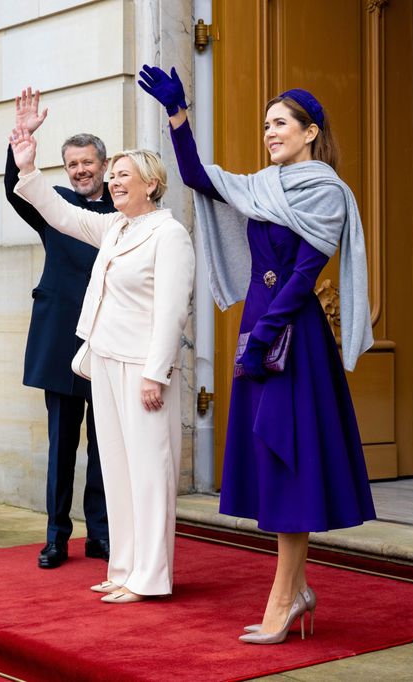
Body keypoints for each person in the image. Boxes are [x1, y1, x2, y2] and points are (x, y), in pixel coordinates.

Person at [138, 65, 376, 642]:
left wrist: (265, 334)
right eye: (266, 124)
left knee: (291, 467)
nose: (270, 132)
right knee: (272, 466)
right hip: (259, 336)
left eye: (281, 124)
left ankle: (285, 596)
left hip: (293, 341)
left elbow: (301, 277)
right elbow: (194, 174)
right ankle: (294, 591)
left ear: (310, 131)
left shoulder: (327, 192)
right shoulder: (260, 186)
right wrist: (178, 117)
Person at [10, 126, 194, 603]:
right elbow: (60, 214)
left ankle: (150, 578)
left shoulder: (169, 234)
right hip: (105, 363)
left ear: (150, 184)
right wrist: (27, 167)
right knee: (116, 470)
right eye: (112, 177)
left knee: (150, 474)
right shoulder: (115, 227)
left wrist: (157, 373)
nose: (112, 183)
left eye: (122, 176)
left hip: (143, 371)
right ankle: (125, 569)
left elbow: (173, 311)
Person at [4, 88, 113, 569]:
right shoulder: (56, 205)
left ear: (104, 165)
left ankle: (102, 535)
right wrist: (22, 145)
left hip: (110, 343)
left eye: (87, 163)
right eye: (72, 164)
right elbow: (16, 191)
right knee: (62, 448)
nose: (80, 171)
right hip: (60, 341)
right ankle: (55, 537)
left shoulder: (124, 211)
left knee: (106, 448)